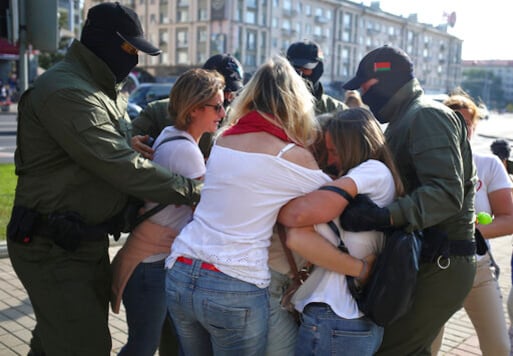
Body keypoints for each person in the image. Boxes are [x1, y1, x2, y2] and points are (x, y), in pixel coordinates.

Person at [5, 3, 200, 355]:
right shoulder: (69, 90)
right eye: (131, 49)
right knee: (86, 346)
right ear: (105, 43)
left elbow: (101, 149)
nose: (135, 59)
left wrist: (128, 143)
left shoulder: (100, 87)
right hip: (53, 245)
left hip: (80, 241)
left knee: (55, 341)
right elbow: (117, 165)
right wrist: (192, 190)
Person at [164, 55, 366, 355]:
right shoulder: (292, 156)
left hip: (180, 270)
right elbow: (334, 206)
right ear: (296, 102)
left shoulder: (224, 139)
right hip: (233, 283)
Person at [339, 45, 477, 355]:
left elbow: (444, 194)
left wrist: (382, 216)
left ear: (388, 80)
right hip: (427, 257)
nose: (362, 92)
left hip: (440, 259)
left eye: (367, 85)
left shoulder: (426, 115)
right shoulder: (405, 118)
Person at [111, 68, 225, 356]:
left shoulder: (171, 134)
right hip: (151, 264)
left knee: (151, 342)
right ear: (195, 108)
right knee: (143, 346)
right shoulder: (185, 151)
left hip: (148, 261)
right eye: (218, 106)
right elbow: (209, 212)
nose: (223, 113)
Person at [278, 107, 404, 355]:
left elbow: (297, 220)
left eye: (335, 151)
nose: (332, 159)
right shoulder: (373, 176)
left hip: (336, 315)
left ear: (354, 147)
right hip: (343, 318)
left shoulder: (373, 171)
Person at [429, 94, 513, 355]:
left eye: (466, 122)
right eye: (453, 120)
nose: (460, 127)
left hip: (477, 269)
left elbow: (509, 219)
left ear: (474, 126)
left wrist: (467, 232)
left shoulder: (488, 165)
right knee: (427, 347)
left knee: (498, 347)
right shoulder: (426, 165)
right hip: (433, 270)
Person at [131, 53, 244, 160]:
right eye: (225, 90)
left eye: (233, 93)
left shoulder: (234, 120)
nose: (229, 98)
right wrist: (130, 143)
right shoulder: (159, 111)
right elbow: (121, 142)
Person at [286, 40, 346, 114]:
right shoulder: (274, 104)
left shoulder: (336, 110)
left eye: (305, 68)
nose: (299, 73)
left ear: (317, 69)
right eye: (293, 68)